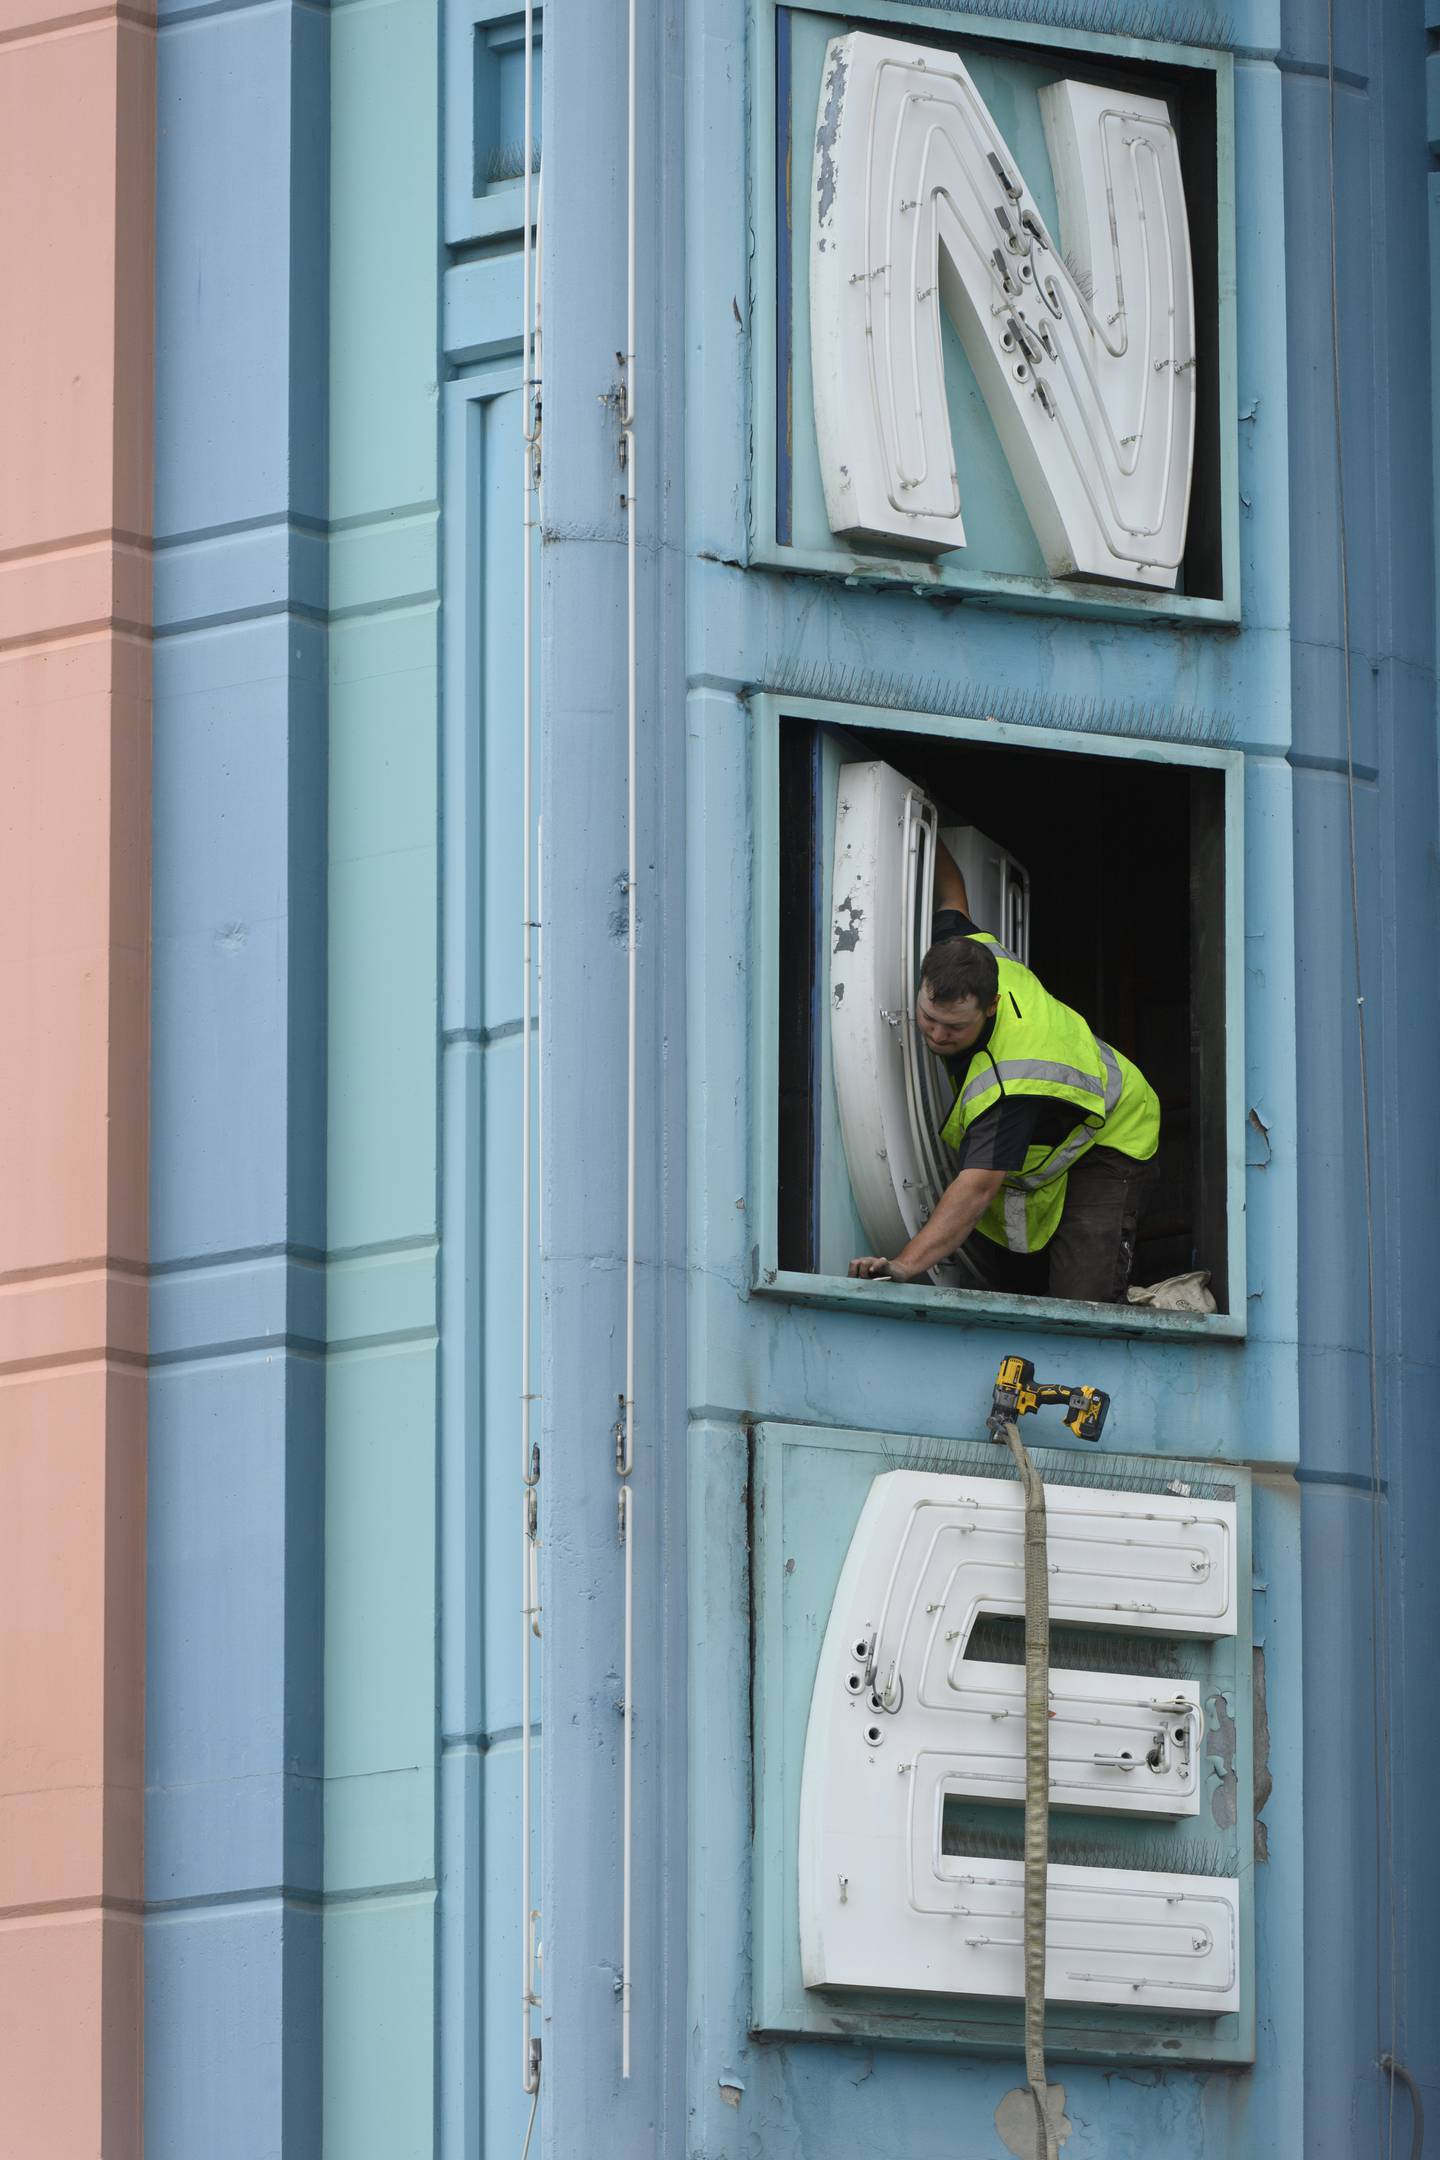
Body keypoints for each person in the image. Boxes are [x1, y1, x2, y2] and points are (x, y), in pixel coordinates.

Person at [848, 841, 1160, 1303]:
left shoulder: (1011, 1084)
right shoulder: (961, 953)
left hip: (1115, 1131)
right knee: (1012, 1278)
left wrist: (905, 1264)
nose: (935, 1036)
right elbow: (952, 894)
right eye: (927, 1018)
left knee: (1083, 1303)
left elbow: (976, 1189)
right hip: (1053, 1127)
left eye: (954, 1028)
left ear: (990, 1007)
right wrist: (926, 836)